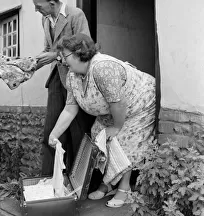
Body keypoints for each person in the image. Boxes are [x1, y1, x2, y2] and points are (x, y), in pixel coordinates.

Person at [49, 33, 156, 208]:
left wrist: (116, 127)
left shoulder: (102, 68)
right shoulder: (72, 76)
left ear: (79, 52)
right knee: (97, 135)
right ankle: (107, 183)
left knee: (121, 140)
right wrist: (54, 134)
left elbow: (118, 104)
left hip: (140, 103)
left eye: (64, 55)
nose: (61, 60)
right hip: (114, 109)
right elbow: (70, 109)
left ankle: (124, 188)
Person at [31, 0, 95, 176]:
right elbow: (48, 51)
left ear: (52, 3)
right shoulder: (45, 19)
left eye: (38, 5)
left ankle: (79, 182)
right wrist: (30, 64)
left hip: (76, 80)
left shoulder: (75, 15)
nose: (36, 10)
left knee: (78, 134)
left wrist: (56, 55)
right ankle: (49, 180)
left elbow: (85, 48)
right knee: (51, 131)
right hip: (57, 80)